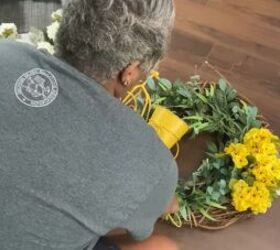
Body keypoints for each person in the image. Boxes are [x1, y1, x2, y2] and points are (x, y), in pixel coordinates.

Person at [0, 0, 179, 250]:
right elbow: (163, 209)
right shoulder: (151, 163)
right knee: (163, 246)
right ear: (130, 70)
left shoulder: (6, 51)